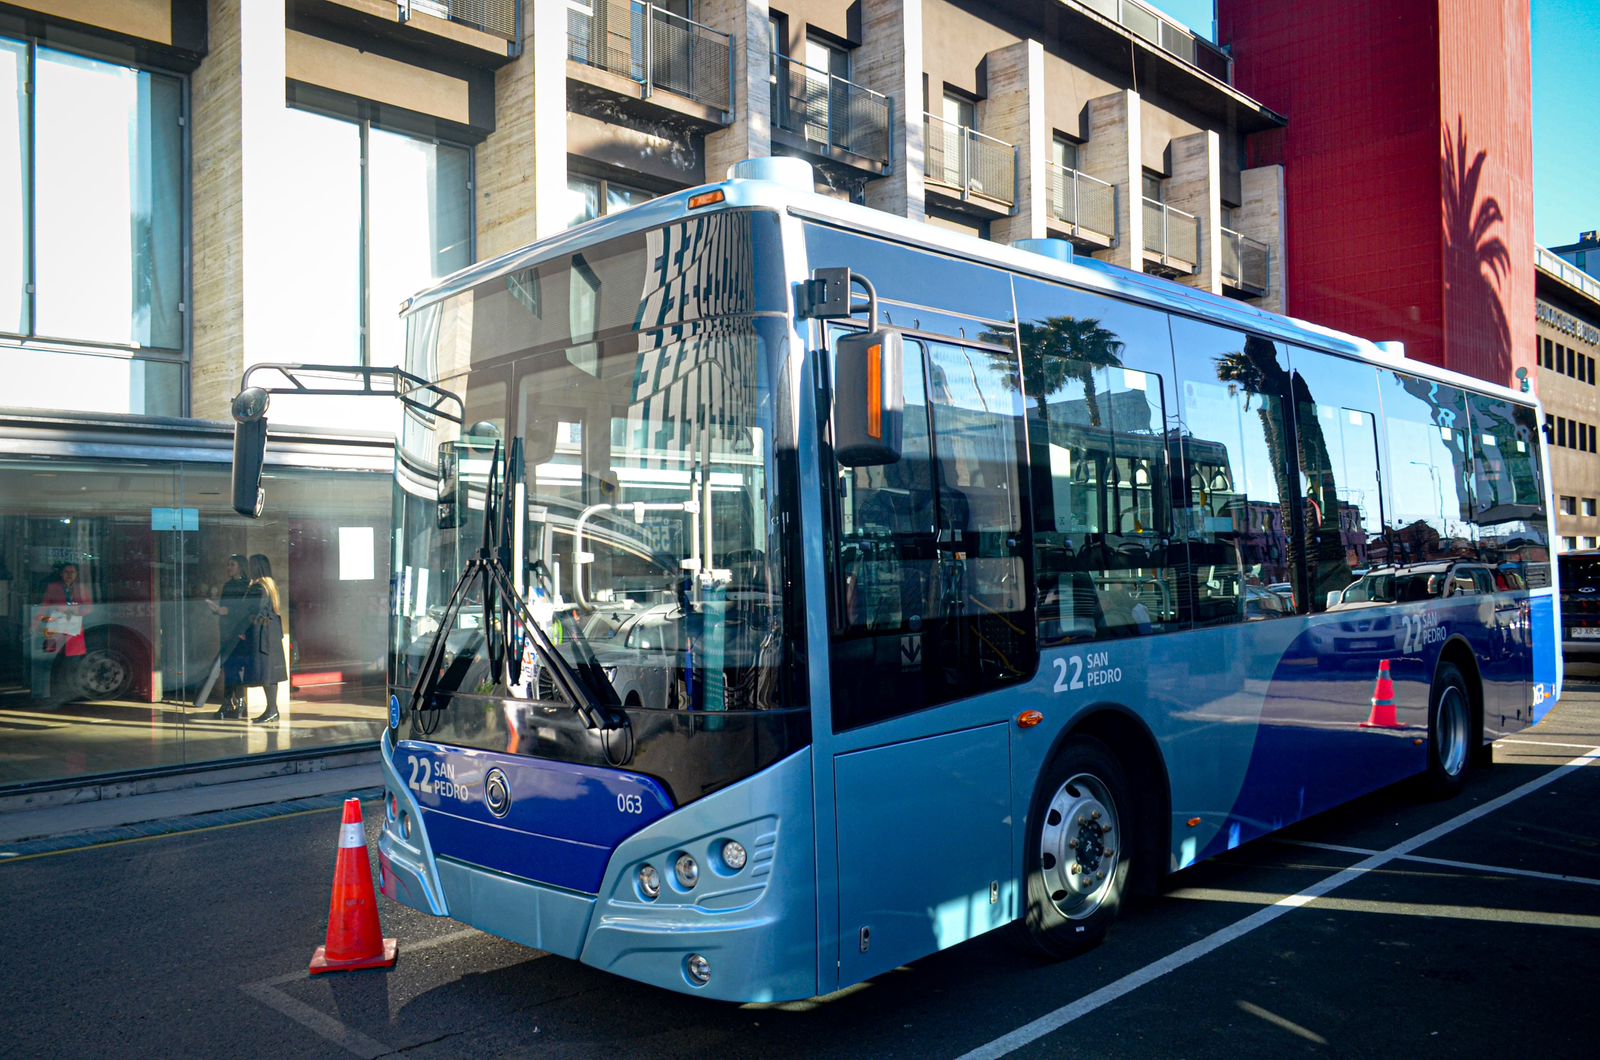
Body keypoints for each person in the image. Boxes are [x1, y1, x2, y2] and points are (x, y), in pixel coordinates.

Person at [240, 554, 288, 725]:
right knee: (271, 674)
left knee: (266, 674)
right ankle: (272, 710)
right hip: (271, 634)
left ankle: (272, 710)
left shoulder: (258, 587)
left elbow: (254, 612)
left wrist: (243, 629)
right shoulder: (270, 586)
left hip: (262, 636)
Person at [34, 562, 93, 702]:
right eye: (67, 572)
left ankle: (72, 692)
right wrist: (37, 623)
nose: (69, 575)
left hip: (74, 625)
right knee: (57, 660)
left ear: (77, 575)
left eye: (73, 572)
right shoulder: (53, 588)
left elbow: (89, 608)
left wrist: (76, 610)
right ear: (61, 574)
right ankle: (55, 692)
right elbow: (45, 606)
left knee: (73, 661)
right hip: (57, 624)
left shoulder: (81, 589)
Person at [205, 555, 251, 719]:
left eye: (232, 564)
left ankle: (237, 703)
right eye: (228, 564)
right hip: (227, 630)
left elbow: (245, 610)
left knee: (236, 668)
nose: (229, 568)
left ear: (240, 567)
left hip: (239, 633)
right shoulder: (228, 585)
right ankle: (229, 702)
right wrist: (218, 610)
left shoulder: (247, 586)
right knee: (229, 667)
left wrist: (227, 612)